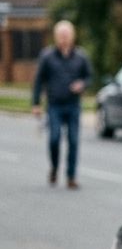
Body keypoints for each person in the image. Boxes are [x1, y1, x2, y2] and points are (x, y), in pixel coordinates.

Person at [31, 20, 92, 189]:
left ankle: (71, 176)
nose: (64, 38)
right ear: (56, 37)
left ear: (72, 36)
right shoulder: (47, 56)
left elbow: (89, 77)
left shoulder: (81, 57)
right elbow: (38, 80)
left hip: (73, 105)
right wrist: (36, 103)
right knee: (54, 138)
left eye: (67, 35)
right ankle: (54, 167)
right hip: (54, 105)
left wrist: (82, 84)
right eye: (61, 35)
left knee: (73, 140)